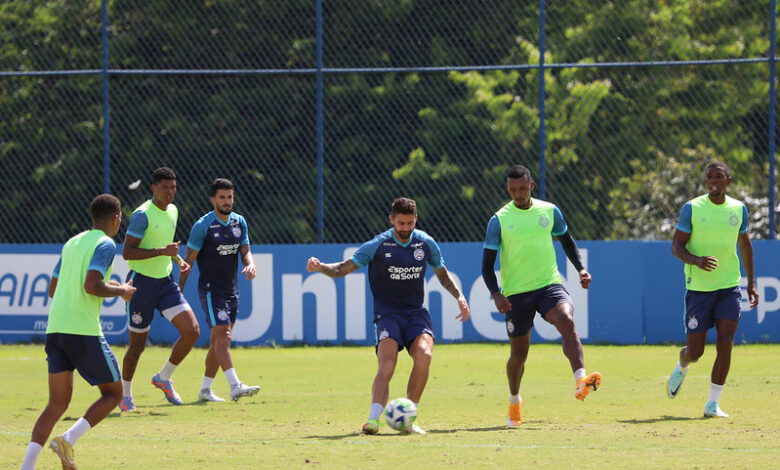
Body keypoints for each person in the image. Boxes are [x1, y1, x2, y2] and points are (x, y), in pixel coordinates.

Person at [307, 197, 470, 435]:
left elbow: (442, 274)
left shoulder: (425, 243)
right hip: (388, 315)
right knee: (388, 364)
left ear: (416, 220)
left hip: (416, 313)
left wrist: (459, 296)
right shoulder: (377, 245)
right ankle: (373, 420)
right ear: (391, 220)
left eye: (410, 223)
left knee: (424, 355)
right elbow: (343, 268)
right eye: (401, 223)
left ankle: (408, 418)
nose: (405, 228)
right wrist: (320, 266)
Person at [20, 194, 136, 470]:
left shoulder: (72, 243)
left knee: (57, 403)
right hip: (82, 331)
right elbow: (91, 285)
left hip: (55, 329)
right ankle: (68, 440)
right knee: (114, 394)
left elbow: (52, 289)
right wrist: (122, 291)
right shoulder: (106, 244)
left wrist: (105, 286)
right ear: (116, 218)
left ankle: (27, 466)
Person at [481, 164, 601, 427]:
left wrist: (581, 269)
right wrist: (496, 294)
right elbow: (487, 265)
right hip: (516, 293)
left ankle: (580, 380)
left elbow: (567, 241)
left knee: (567, 321)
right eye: (513, 189)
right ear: (508, 188)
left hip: (549, 285)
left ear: (531, 186)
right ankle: (514, 401)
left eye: (523, 188)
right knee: (519, 355)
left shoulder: (549, 211)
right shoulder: (499, 220)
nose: (518, 193)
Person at [666, 161, 759, 417]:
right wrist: (696, 261)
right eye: (709, 177)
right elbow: (676, 246)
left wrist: (750, 283)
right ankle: (682, 364)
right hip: (699, 289)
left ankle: (712, 404)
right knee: (696, 351)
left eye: (719, 176)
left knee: (726, 343)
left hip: (729, 287)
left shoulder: (738, 209)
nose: (713, 181)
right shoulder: (692, 209)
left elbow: (745, 245)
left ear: (728, 181)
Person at [119, 167, 201, 411]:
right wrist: (162, 253)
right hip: (141, 284)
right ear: (154, 188)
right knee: (137, 347)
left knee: (192, 331)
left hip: (165, 282)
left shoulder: (173, 210)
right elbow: (127, 252)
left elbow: (166, 247)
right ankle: (125, 396)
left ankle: (163, 378)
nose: (170, 193)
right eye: (165, 188)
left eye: (173, 188)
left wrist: (177, 260)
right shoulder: (142, 215)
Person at [178, 178, 260, 403]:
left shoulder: (239, 222)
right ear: (213, 199)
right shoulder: (203, 225)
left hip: (231, 290)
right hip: (211, 291)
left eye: (230, 197)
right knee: (223, 335)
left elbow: (245, 251)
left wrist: (250, 264)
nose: (227, 201)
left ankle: (205, 390)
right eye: (222, 197)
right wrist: (179, 289)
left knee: (218, 342)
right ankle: (235, 386)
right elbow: (188, 261)